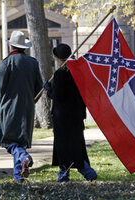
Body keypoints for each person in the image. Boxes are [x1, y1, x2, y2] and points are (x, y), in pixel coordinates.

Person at [0, 30, 43, 182]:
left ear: (11, 47)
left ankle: (23, 157)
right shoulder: (33, 63)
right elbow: (39, 88)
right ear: (24, 47)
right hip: (28, 107)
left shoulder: (5, 63)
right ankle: (18, 176)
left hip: (8, 107)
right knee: (20, 141)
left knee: (9, 141)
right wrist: (31, 101)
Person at [43, 43, 97, 182]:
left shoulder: (60, 74)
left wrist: (48, 89)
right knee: (76, 144)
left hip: (63, 118)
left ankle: (86, 172)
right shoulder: (78, 73)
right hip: (76, 116)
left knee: (65, 147)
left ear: (58, 57)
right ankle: (65, 173)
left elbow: (57, 95)